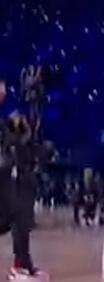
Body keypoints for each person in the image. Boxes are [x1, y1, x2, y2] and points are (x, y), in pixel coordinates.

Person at [0, 79, 42, 279]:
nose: (3, 91)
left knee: (20, 218)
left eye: (3, 87)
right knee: (15, 219)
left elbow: (18, 141)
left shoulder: (6, 119)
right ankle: (21, 265)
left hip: (8, 174)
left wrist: (20, 129)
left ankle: (22, 265)